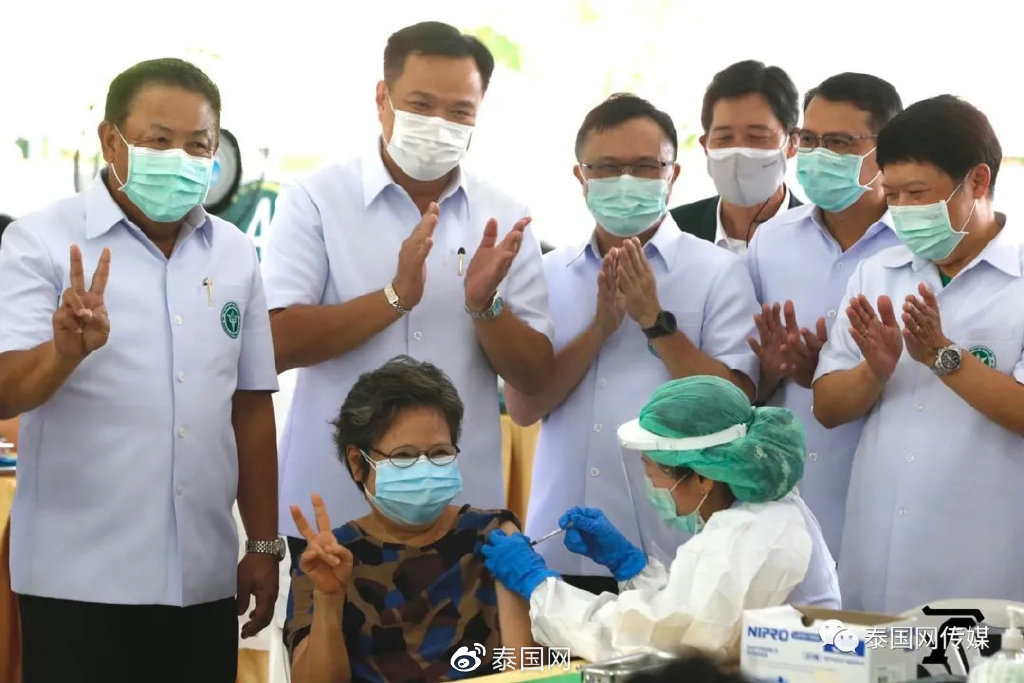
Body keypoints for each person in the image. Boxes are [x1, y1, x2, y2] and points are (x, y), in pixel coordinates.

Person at [0, 58, 281, 682]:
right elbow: (6, 390)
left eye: (198, 145)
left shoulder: (234, 252)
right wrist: (63, 354)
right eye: (159, 141)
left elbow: (251, 405)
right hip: (77, 580)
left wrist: (262, 545)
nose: (180, 158)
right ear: (111, 140)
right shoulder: (40, 241)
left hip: (202, 577)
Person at [261, 21, 553, 569]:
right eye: (421, 104)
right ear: (382, 98)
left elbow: (534, 380)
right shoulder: (317, 200)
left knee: (470, 658)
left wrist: (485, 306)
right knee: (324, 654)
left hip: (463, 514)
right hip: (331, 512)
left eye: (460, 112)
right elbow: (276, 341)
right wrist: (393, 298)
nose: (439, 124)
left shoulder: (506, 217)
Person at [505, 94, 760, 595]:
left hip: (676, 549)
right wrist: (598, 329)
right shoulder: (546, 274)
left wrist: (653, 322)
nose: (625, 182)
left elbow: (736, 406)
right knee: (556, 672)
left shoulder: (716, 272)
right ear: (581, 177)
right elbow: (523, 407)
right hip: (561, 542)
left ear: (673, 173)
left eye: (644, 167)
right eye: (607, 168)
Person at [812, 95, 1024, 612]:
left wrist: (941, 356)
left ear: (977, 181)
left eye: (919, 194)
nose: (904, 211)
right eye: (893, 195)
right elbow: (828, 407)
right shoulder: (877, 273)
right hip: (876, 553)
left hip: (985, 560)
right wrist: (875, 371)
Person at [485, 375, 840, 662]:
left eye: (656, 472)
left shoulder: (752, 532)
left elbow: (654, 640)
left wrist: (539, 587)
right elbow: (686, 610)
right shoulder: (752, 515)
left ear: (704, 477)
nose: (652, 483)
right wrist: (633, 568)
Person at [284, 357, 533, 682]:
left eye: (440, 453)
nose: (425, 469)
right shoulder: (328, 557)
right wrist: (329, 599)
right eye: (403, 456)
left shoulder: (493, 538)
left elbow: (525, 670)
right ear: (358, 462)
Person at [745, 73, 904, 556]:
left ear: (886, 150)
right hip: (782, 494)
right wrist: (774, 367)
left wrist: (837, 373)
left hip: (886, 489)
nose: (818, 155)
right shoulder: (770, 240)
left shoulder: (917, 248)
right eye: (808, 140)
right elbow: (749, 376)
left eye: (838, 142)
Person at [670, 61, 802, 255]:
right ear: (705, 147)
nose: (739, 150)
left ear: (792, 143)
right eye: (724, 138)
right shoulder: (674, 234)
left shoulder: (824, 238)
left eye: (757, 137)